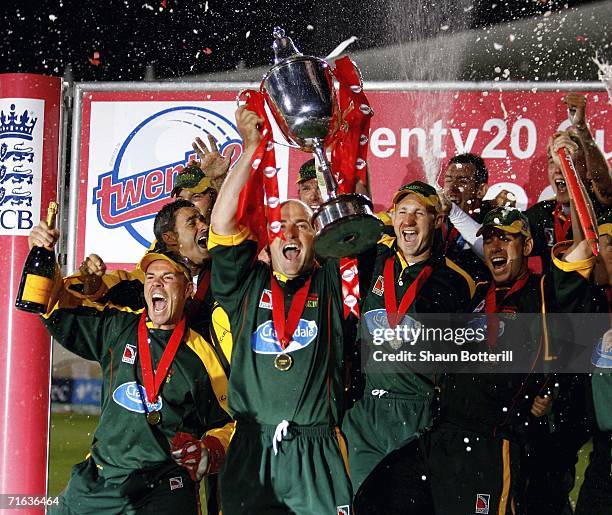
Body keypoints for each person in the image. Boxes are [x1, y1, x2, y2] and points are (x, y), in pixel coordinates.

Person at [208, 106, 369, 514]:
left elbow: (352, 218)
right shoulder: (245, 285)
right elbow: (223, 223)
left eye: (305, 225)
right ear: (268, 241)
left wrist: (334, 145)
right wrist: (250, 149)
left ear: (319, 240)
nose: (292, 231)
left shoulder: (332, 284)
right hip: (252, 449)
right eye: (282, 226)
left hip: (316, 451)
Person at [26, 230, 233, 514]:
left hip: (165, 487)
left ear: (187, 291)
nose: (156, 284)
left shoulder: (203, 357)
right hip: (103, 478)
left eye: (167, 278)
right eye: (150, 278)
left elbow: (230, 422)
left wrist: (209, 448)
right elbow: (53, 308)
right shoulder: (118, 327)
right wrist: (44, 253)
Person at [342, 180, 474, 510]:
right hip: (368, 414)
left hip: (419, 412)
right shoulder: (372, 260)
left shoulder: (455, 279)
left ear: (437, 221)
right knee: (361, 504)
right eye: (402, 212)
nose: (409, 221)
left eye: (419, 213)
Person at [526, 93, 612, 275]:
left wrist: (581, 129)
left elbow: (605, 187)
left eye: (567, 160)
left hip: (595, 300)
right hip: (556, 302)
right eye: (553, 160)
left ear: (587, 169)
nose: (559, 168)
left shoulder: (600, 206)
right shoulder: (540, 213)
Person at [439, 153, 492, 281]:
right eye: (449, 180)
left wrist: (453, 211)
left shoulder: (493, 219)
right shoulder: (436, 219)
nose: (452, 188)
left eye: (463, 181)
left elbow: (491, 253)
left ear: (480, 191)